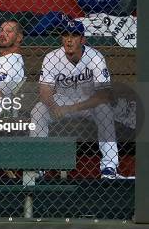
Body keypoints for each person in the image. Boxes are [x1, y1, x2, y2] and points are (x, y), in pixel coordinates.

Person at [29, 20, 131, 180]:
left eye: (75, 35)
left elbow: (103, 94)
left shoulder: (95, 57)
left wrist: (71, 108)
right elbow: (45, 90)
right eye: (65, 35)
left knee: (104, 108)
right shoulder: (52, 57)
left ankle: (109, 168)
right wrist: (53, 105)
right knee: (38, 111)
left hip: (89, 102)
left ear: (83, 39)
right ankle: (38, 168)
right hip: (61, 100)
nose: (69, 40)